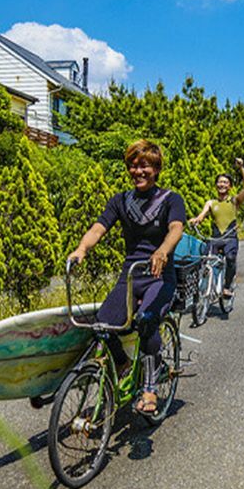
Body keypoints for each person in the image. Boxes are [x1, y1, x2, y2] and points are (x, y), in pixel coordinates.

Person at [68, 139, 186, 415]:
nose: (138, 171)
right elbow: (99, 227)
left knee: (146, 322)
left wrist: (163, 251)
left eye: (144, 165)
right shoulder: (121, 201)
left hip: (159, 276)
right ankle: (122, 364)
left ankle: (150, 387)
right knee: (101, 327)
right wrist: (82, 248)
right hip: (130, 277)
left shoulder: (170, 199)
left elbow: (177, 227)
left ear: (156, 169)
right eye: (133, 166)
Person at [188, 158, 244, 298]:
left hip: (230, 239)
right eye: (219, 182)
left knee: (230, 258)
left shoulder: (234, 201)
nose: (222, 184)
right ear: (216, 185)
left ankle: (227, 286)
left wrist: (241, 168)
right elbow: (202, 215)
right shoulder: (211, 203)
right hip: (215, 239)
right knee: (204, 260)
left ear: (229, 186)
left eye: (225, 182)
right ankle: (203, 287)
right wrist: (196, 220)